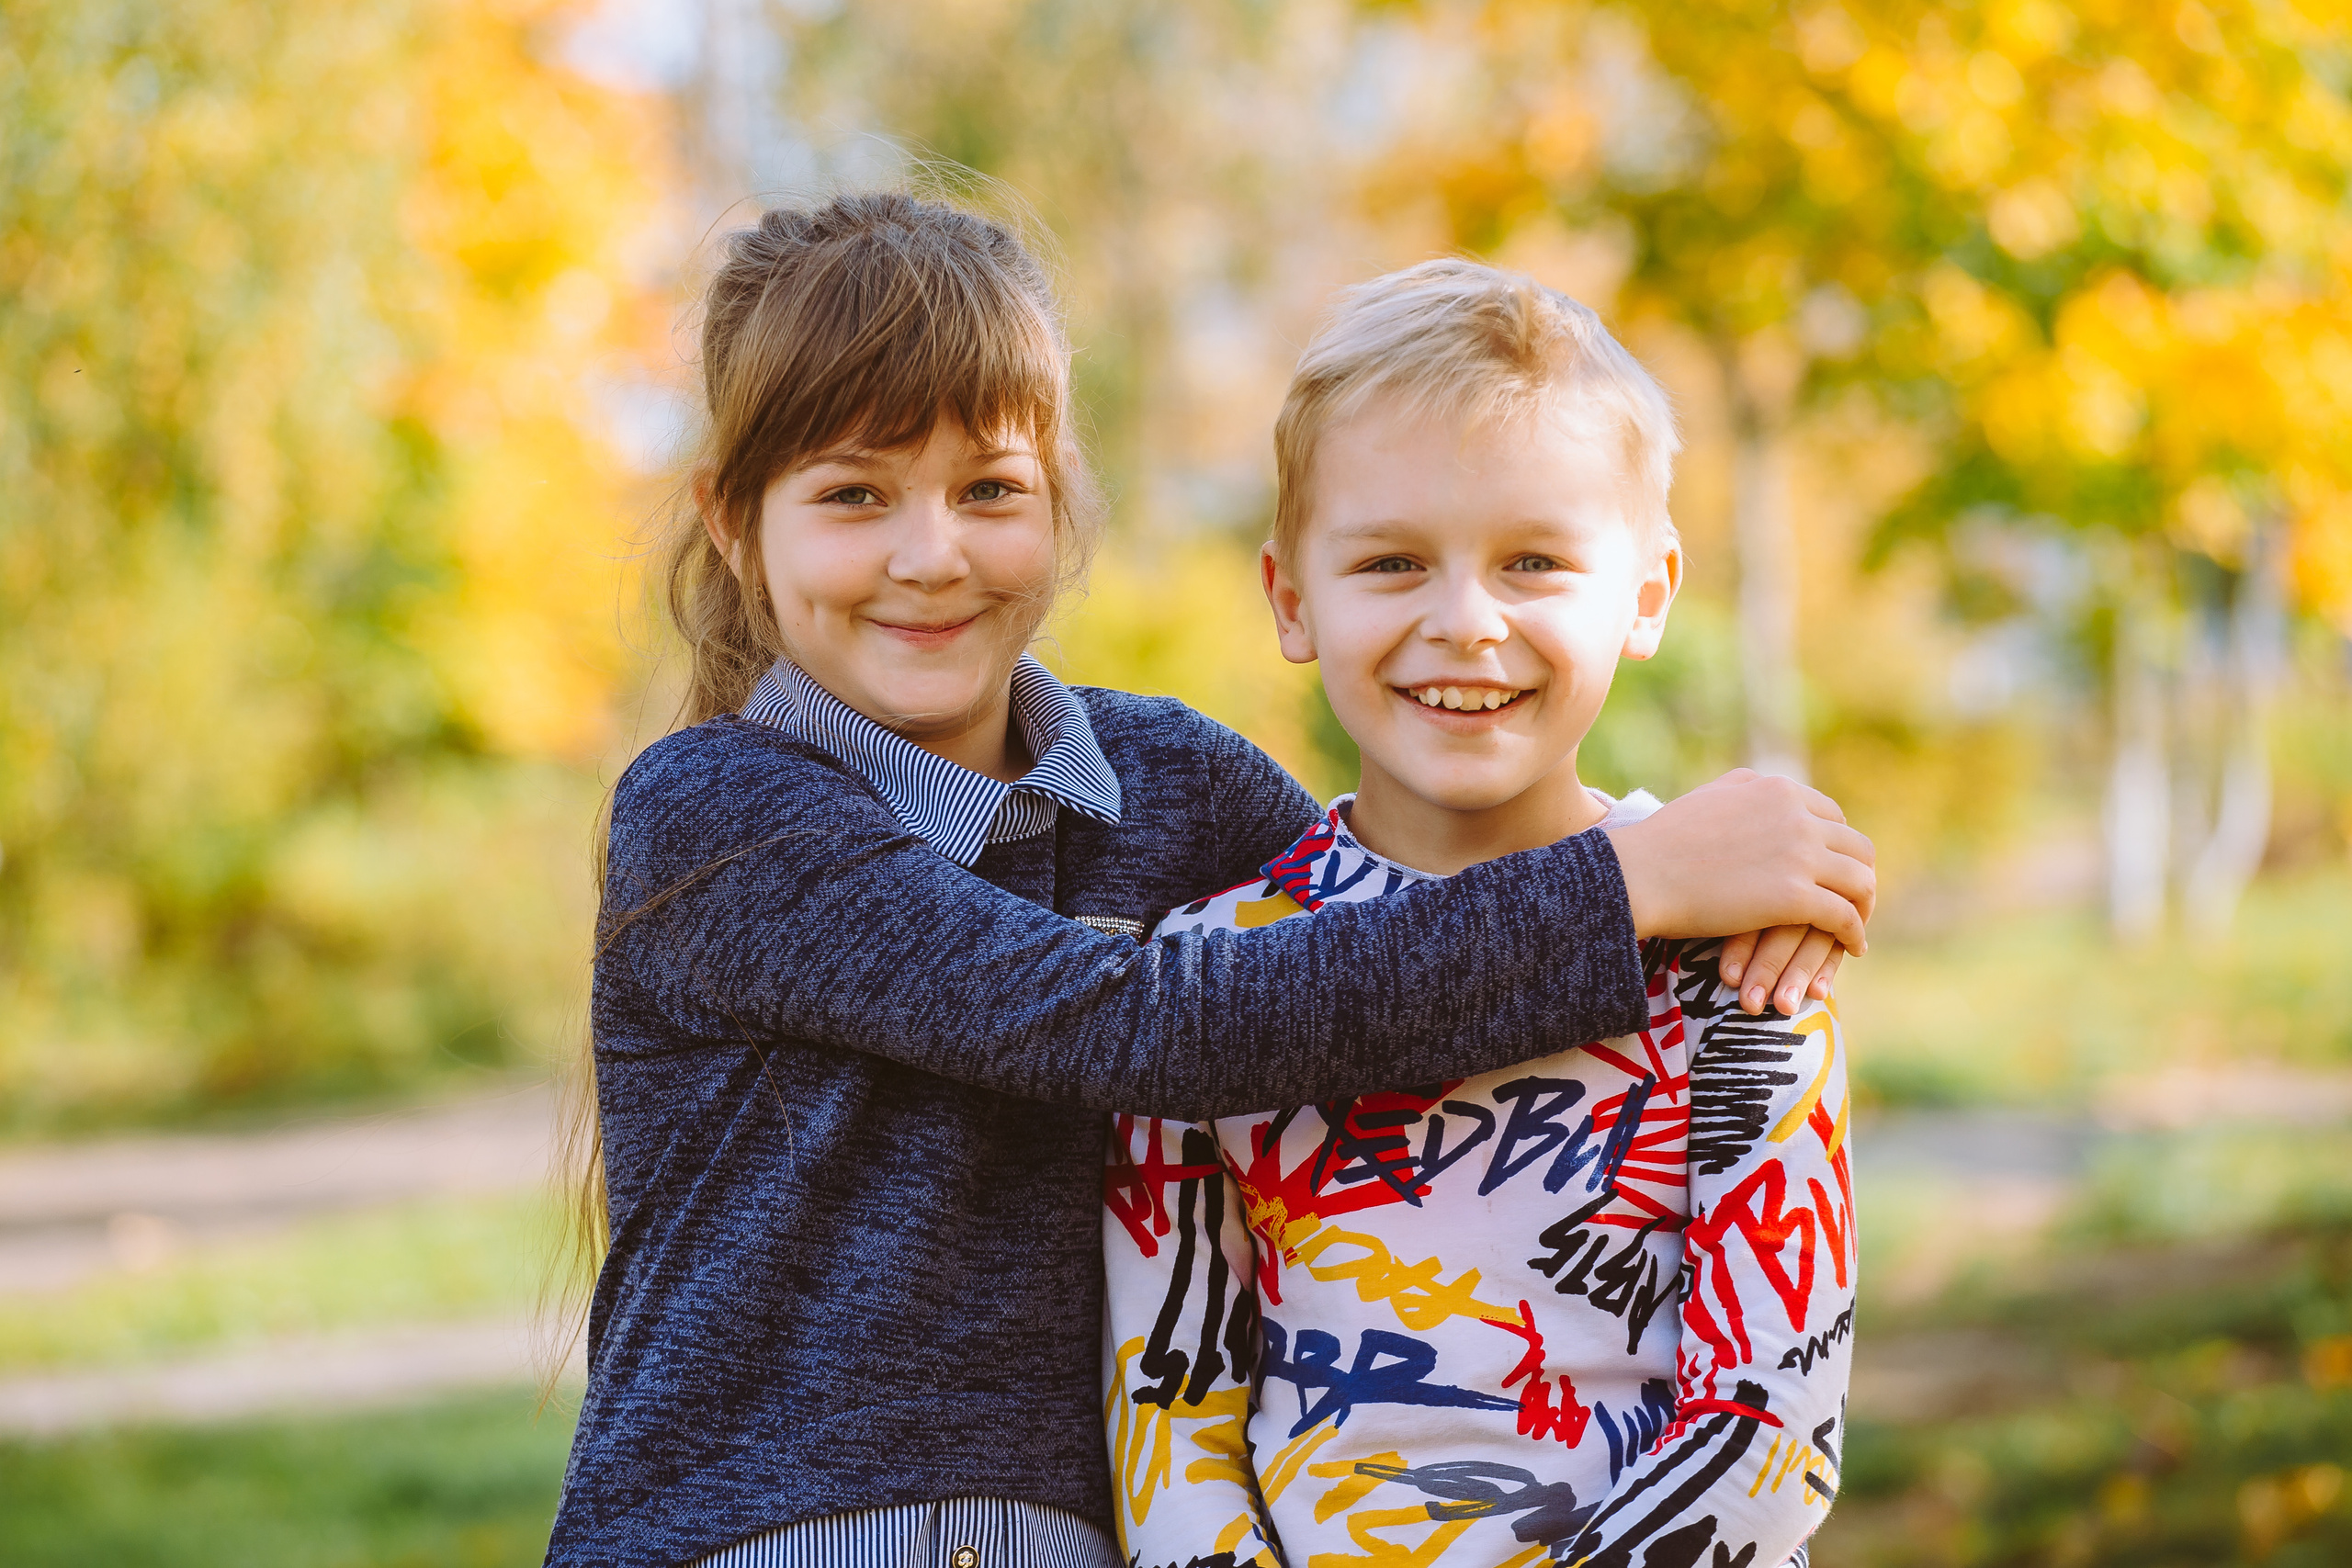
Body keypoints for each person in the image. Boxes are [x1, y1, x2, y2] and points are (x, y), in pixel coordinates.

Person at [545, 191, 1872, 1568]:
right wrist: (1637, 879)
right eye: (851, 494)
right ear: (731, 519)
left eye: (988, 488)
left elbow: (1386, 946)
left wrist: (1763, 885)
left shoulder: (1173, 784)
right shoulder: (716, 811)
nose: (930, 553)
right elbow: (1150, 1023)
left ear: (1059, 497)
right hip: (755, 1536)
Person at [1102, 260, 1855, 1568]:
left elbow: (1768, 1427)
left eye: (1534, 561)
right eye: (1392, 562)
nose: (1465, 622)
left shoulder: (1736, 955)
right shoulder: (1208, 976)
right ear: (1290, 598)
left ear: (1650, 592)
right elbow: (1171, 1420)